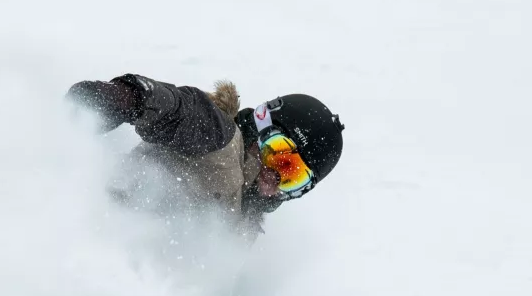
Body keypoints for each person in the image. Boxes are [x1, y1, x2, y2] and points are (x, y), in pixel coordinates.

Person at [67, 74, 344, 239]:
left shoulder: (245, 225)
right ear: (262, 126)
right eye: (281, 158)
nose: (275, 179)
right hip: (95, 231)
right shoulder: (219, 139)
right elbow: (178, 109)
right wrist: (123, 99)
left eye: (293, 178)